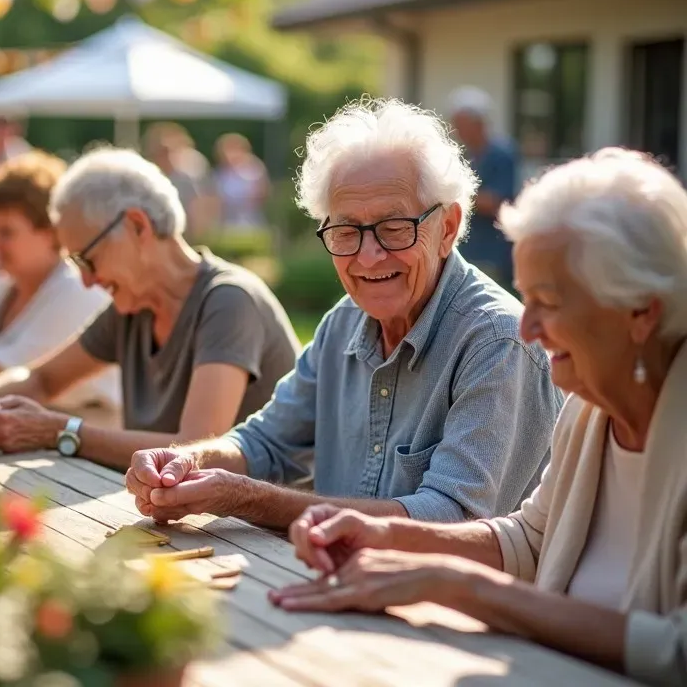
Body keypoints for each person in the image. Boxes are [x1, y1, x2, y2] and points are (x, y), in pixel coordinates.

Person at [271, 148, 687, 687]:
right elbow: (529, 540)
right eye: (526, 296)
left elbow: (677, 651)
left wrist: (461, 586)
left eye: (549, 302)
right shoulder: (591, 408)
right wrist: (382, 534)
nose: (527, 327)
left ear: (640, 311)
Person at [125, 98, 562, 530]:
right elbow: (264, 441)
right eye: (346, 231)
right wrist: (187, 460)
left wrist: (246, 496)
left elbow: (447, 520)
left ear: (446, 227)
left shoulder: (496, 341)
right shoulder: (345, 321)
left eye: (393, 228)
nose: (368, 257)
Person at [0, 147, 301, 470]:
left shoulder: (229, 300)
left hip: (261, 529)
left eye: (86, 259)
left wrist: (63, 432)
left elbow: (196, 447)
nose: (86, 280)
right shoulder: (133, 306)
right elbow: (41, 379)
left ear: (138, 226)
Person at [0, 151, 120, 409]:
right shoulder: (6, 285)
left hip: (78, 439)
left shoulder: (77, 291)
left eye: (6, 232)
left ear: (51, 233)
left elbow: (3, 373)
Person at [448, 86, 520, 288]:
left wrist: (451, 194)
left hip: (492, 252)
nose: (456, 130)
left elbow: (495, 202)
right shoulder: (462, 154)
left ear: (477, 123)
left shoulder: (502, 154)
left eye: (460, 124)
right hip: (466, 249)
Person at [213, 133, 270, 229]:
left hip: (251, 220)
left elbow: (263, 193)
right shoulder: (219, 173)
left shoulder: (255, 169)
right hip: (226, 221)